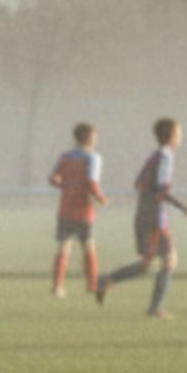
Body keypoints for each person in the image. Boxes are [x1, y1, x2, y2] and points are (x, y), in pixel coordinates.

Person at [97, 117, 187, 319]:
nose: (181, 136)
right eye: (179, 133)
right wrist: (182, 206)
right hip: (155, 218)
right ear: (172, 136)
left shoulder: (154, 157)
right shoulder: (166, 157)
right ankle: (155, 308)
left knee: (147, 264)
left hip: (142, 215)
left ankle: (107, 280)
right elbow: (162, 190)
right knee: (169, 260)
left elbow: (138, 183)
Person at [48, 122, 108, 299]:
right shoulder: (92, 158)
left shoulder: (65, 157)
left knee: (64, 247)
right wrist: (101, 198)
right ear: (90, 138)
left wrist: (67, 186)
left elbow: (53, 179)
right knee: (88, 246)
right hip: (83, 209)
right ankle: (92, 284)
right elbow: (91, 182)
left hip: (65, 208)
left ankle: (57, 286)